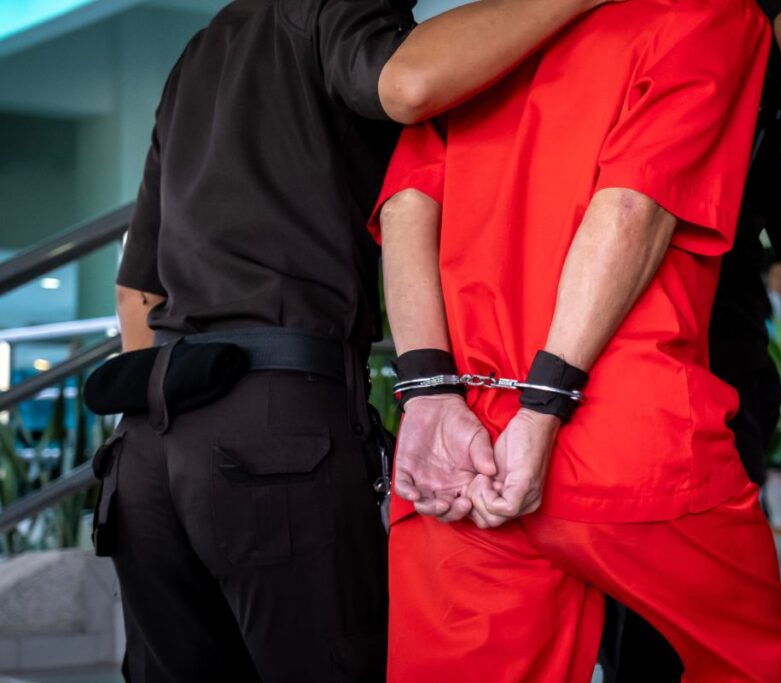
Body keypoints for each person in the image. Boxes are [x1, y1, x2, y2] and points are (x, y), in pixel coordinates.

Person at [104, 0, 617, 680]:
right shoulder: (329, 6)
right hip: (274, 430)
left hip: (146, 449)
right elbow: (407, 83)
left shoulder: (198, 55)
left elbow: (137, 294)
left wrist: (175, 440)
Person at [373, 1, 781, 680]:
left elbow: (406, 207)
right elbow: (636, 205)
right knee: (746, 662)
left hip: (465, 437)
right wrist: (544, 406)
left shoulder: (476, 39)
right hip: (626, 434)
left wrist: (429, 393)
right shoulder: (711, 14)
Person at [601, 0, 781, 678]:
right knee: (708, 435)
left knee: (616, 436)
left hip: (579, 219)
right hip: (690, 230)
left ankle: (636, 656)